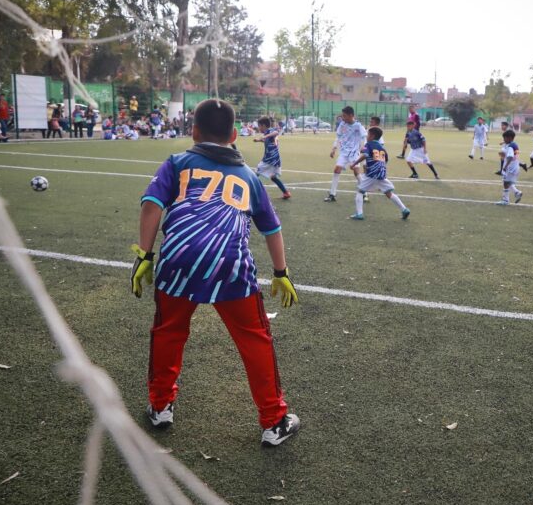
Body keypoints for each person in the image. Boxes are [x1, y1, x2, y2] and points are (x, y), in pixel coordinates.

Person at [130, 98, 300, 447]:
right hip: (230, 265)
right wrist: (280, 272)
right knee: (254, 338)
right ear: (235, 134)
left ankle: (160, 405)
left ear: (193, 132)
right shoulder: (249, 177)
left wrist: (144, 255)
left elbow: (151, 205)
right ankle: (274, 420)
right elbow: (272, 229)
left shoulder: (177, 162)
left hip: (177, 259)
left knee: (168, 333)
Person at [348, 126, 410, 221]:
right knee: (388, 193)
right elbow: (385, 160)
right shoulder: (382, 148)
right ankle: (404, 209)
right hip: (382, 173)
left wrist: (354, 164)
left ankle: (359, 214)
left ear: (372, 136)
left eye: (368, 134)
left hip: (372, 174)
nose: (367, 137)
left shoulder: (369, 144)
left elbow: (363, 153)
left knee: (360, 191)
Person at [324, 106, 367, 202]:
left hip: (354, 152)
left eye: (345, 116)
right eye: (342, 116)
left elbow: (364, 137)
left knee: (356, 172)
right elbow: (338, 137)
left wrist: (363, 148)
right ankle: (332, 194)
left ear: (351, 115)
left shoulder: (358, 126)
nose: (343, 118)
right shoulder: (342, 124)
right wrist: (334, 148)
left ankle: (364, 193)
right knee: (336, 170)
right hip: (344, 152)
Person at [253, 116, 291, 200]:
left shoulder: (270, 131)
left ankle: (251, 193)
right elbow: (268, 140)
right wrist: (259, 140)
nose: (259, 128)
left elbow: (276, 132)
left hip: (269, 159)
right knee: (273, 177)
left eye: (259, 126)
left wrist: (266, 136)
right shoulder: (267, 133)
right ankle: (286, 192)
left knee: (255, 174)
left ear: (263, 125)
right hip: (275, 159)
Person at [495, 130, 523, 205]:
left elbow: (510, 157)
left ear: (510, 138)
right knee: (508, 182)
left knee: (505, 183)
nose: (504, 139)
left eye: (505, 138)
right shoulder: (514, 144)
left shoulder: (510, 147)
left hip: (510, 168)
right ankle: (517, 193)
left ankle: (505, 200)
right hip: (515, 167)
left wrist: (505, 167)